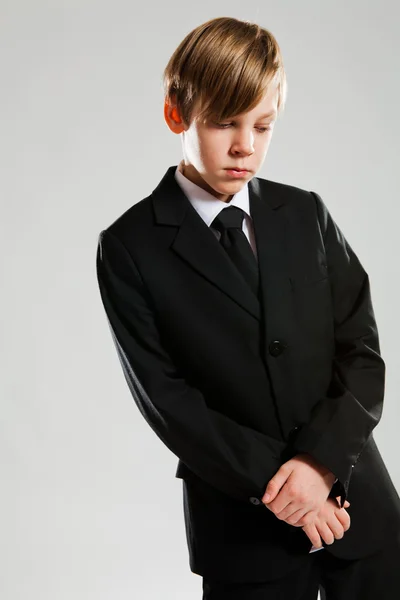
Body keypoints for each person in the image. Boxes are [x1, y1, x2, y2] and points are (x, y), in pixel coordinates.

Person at [96, 16, 400, 600]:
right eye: (224, 123)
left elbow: (361, 352)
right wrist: (286, 488)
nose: (245, 146)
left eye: (262, 126)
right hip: (243, 532)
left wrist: (321, 463)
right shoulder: (130, 246)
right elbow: (169, 401)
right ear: (175, 115)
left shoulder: (306, 214)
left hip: (360, 509)